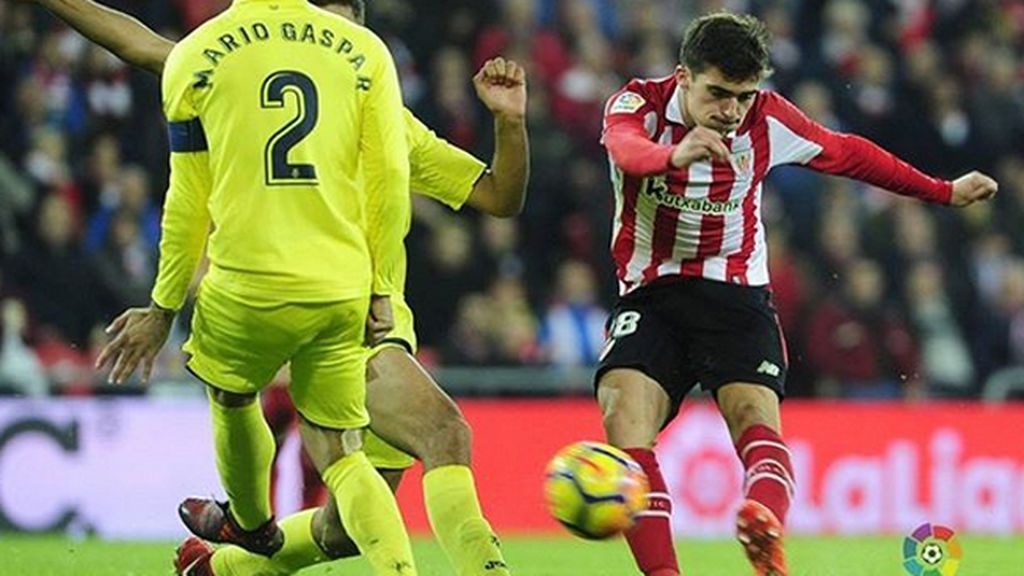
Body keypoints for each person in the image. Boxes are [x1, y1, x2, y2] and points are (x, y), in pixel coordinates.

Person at [36, 1, 528, 574]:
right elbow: (139, 45)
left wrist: (509, 124)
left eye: (344, 26)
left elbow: (498, 197)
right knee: (443, 433)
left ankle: (221, 565)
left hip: (360, 313)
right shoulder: (244, 62)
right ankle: (486, 569)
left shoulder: (382, 111)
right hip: (349, 313)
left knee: (342, 531)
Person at [597, 12, 997, 576]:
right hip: (651, 294)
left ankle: (765, 529)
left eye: (742, 96)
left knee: (753, 414)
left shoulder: (767, 119)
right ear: (683, 76)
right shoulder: (635, 105)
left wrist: (941, 190)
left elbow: (848, 152)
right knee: (623, 417)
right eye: (717, 94)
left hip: (734, 294)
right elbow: (624, 149)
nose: (730, 111)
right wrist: (673, 155)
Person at [92, 0, 420, 575]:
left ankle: (251, 523)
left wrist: (163, 307)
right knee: (344, 452)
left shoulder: (196, 53)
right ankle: (401, 571)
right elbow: (391, 180)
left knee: (233, 395)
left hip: (247, 284)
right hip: (341, 284)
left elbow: (187, 201)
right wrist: (383, 286)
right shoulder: (363, 50)